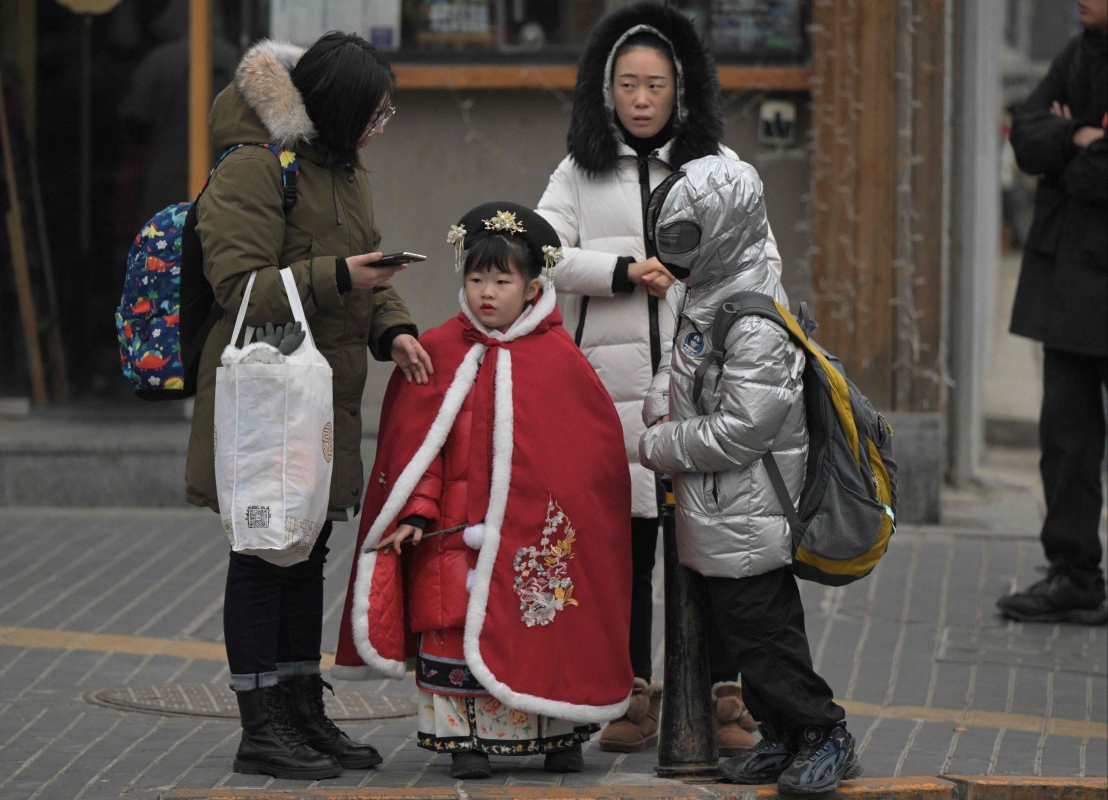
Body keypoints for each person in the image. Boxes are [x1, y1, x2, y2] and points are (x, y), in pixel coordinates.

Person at [534, 0, 783, 754]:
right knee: (625, 552)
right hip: (607, 400)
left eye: (656, 85)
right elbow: (538, 254)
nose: (641, 100)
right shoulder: (578, 170)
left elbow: (765, 267)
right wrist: (616, 272)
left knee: (714, 547)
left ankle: (725, 694)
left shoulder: (723, 170)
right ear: (605, 90)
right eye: (627, 85)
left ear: (683, 89)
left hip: (701, 396)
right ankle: (630, 693)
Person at [183, 35, 434, 780]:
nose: (380, 127)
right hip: (265, 398)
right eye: (375, 113)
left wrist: (396, 327)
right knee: (265, 553)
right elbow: (239, 288)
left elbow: (366, 264)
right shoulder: (256, 170)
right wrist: (338, 278)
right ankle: (260, 725)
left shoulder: (341, 170)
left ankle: (299, 708)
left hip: (323, 395)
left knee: (307, 548)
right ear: (336, 107)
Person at [332, 203, 635, 779]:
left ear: (533, 286)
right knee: (451, 627)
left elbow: (588, 471)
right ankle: (462, 741)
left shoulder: (561, 363)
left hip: (534, 542)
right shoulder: (439, 352)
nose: (487, 293)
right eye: (476, 279)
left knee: (547, 627)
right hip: (451, 535)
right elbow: (419, 449)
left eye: (502, 281)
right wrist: (416, 512)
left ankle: (559, 730)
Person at [639, 155, 861, 795]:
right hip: (717, 504)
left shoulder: (756, 317)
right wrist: (662, 401)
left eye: (684, 240)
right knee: (741, 632)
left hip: (749, 507)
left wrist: (663, 442)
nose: (673, 254)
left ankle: (824, 734)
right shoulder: (707, 286)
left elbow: (745, 428)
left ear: (723, 230)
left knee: (766, 635)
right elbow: (682, 367)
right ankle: (783, 737)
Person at [996, 0, 1107, 626]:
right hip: (1066, 288)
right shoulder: (1076, 53)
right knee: (1065, 442)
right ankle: (1074, 574)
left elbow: (1095, 175)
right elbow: (1025, 132)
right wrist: (1075, 135)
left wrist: (1067, 152)